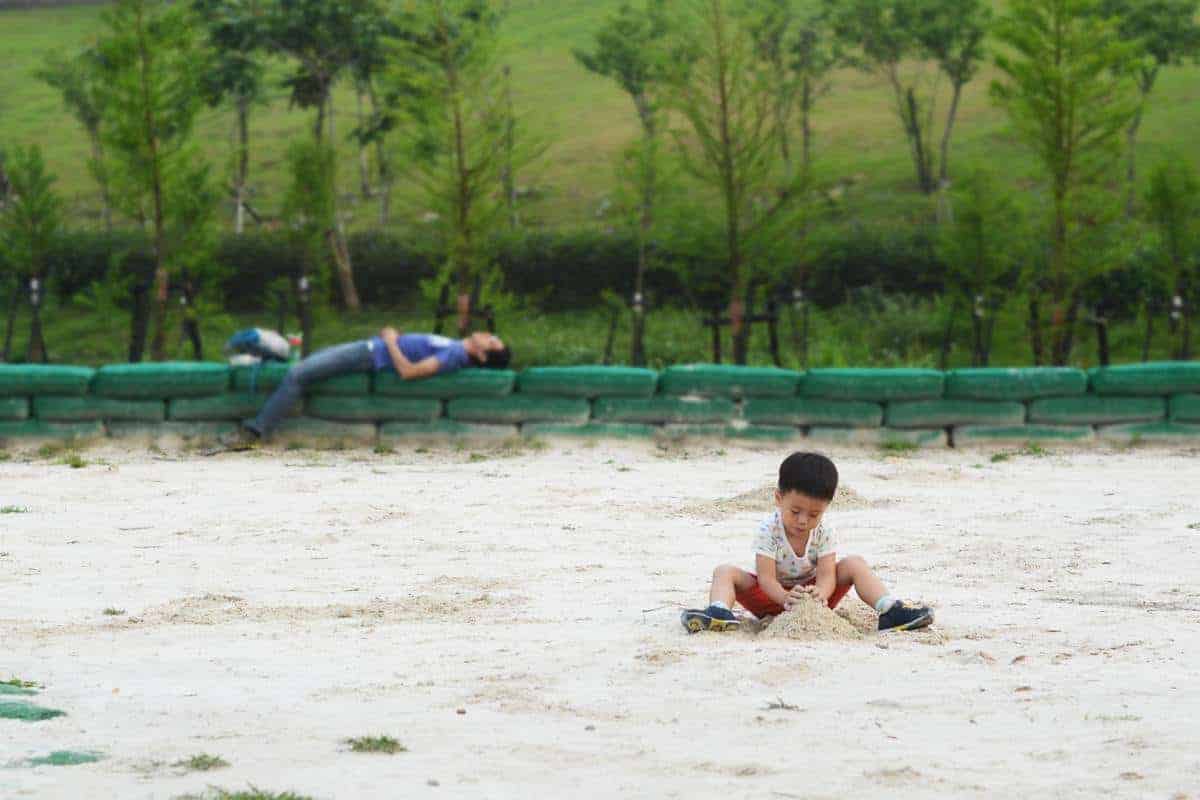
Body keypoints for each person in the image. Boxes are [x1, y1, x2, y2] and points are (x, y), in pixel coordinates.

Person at [681, 451, 933, 633]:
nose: (803, 521)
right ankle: (718, 612)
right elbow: (766, 578)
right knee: (725, 571)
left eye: (814, 514)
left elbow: (826, 575)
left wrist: (820, 593)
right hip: (772, 596)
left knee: (854, 563)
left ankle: (889, 610)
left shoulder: (824, 531)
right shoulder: (768, 530)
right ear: (779, 498)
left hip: (813, 598)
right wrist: (784, 598)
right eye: (795, 511)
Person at [219, 329, 510, 448]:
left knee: (298, 374)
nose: (490, 335)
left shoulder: (455, 356)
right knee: (302, 369)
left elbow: (410, 372)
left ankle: (256, 430)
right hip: (368, 348)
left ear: (482, 356)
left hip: (372, 354)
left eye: (493, 342)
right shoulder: (457, 346)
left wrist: (391, 340)